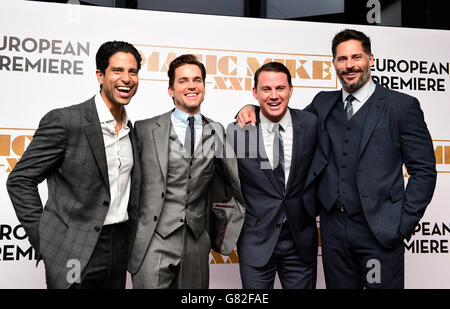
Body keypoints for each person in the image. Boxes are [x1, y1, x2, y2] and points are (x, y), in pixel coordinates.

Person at [236, 29, 436, 288]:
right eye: (342, 59)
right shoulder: (323, 103)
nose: (350, 65)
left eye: (356, 57)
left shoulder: (401, 106)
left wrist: (402, 224)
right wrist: (249, 108)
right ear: (334, 63)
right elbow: (282, 115)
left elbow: (424, 171)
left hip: (380, 233)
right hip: (334, 233)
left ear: (371, 59)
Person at [6, 41, 142, 289]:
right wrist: (46, 238)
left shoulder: (133, 131)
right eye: (117, 70)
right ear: (100, 75)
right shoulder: (66, 121)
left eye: (132, 72)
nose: (127, 78)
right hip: (73, 250)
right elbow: (20, 180)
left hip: (119, 247)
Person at [129, 54, 245, 289]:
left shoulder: (217, 131)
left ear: (203, 86)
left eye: (197, 80)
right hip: (153, 239)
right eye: (183, 81)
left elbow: (229, 181)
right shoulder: (144, 129)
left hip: (197, 240)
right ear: (171, 90)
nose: (191, 85)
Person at [229, 62, 318, 289]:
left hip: (300, 241)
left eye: (280, 88)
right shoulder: (236, 133)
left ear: (290, 90)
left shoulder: (311, 124)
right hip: (256, 240)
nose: (274, 95)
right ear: (255, 92)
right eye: (266, 89)